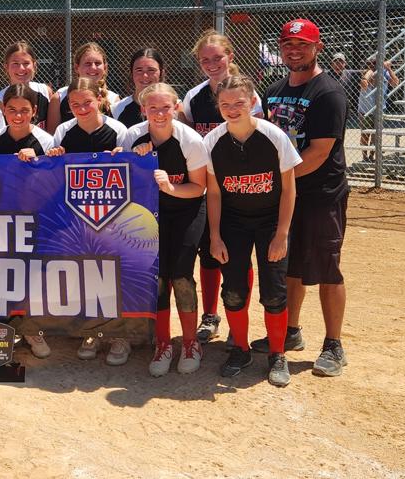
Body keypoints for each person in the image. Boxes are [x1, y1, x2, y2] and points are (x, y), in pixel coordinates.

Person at [260, 19, 351, 377]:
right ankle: (290, 331)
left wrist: (277, 179)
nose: (294, 51)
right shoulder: (273, 90)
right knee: (289, 266)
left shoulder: (328, 92)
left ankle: (334, 344)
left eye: (302, 44)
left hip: (320, 195)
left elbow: (319, 152)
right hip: (286, 195)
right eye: (288, 44)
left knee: (328, 269)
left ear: (318, 47)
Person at [204, 74, 301, 387]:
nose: (232, 109)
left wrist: (282, 233)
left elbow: (289, 190)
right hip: (233, 222)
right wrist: (215, 236)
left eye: (239, 103)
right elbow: (214, 193)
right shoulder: (212, 142)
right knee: (233, 290)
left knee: (274, 292)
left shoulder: (274, 136)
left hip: (270, 221)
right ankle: (241, 350)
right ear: (218, 106)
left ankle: (277, 354)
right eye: (225, 104)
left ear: (253, 102)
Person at [179, 29, 263, 344]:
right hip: (207, 188)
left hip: (239, 188)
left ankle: (237, 321)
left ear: (230, 56)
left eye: (217, 58)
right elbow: (188, 143)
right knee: (210, 254)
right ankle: (210, 316)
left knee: (239, 258)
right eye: (205, 60)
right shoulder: (194, 97)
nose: (212, 64)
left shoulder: (248, 94)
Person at [121, 83, 208, 376]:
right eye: (153, 108)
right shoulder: (133, 136)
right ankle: (162, 343)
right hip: (151, 213)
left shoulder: (190, 140)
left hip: (186, 209)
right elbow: (123, 179)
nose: (159, 114)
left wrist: (170, 187)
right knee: (157, 278)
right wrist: (136, 160)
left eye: (166, 107)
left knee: (181, 276)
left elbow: (198, 187)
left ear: (177, 107)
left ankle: (191, 343)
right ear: (143, 109)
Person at [0, 83, 56, 359]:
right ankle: (1, 332)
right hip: (1, 219)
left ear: (35, 111)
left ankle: (32, 330)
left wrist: (38, 161)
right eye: (12, 109)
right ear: (3, 110)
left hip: (35, 218)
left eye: (24, 110)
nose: (18, 116)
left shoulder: (45, 140)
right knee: (1, 276)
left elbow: (54, 182)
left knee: (32, 278)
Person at [47, 77, 130, 365]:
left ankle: (120, 334)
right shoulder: (63, 131)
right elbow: (53, 175)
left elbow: (132, 170)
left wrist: (121, 157)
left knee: (115, 272)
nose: (82, 108)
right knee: (86, 272)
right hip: (77, 213)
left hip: (113, 213)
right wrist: (55, 157)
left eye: (87, 102)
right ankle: (92, 331)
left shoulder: (118, 130)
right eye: (75, 104)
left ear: (100, 100)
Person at [0, 41, 60, 132]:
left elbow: (53, 132)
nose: (21, 68)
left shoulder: (45, 91)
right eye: (15, 63)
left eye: (26, 63)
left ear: (34, 65)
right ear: (6, 67)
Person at [55, 42, 121, 122]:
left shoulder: (113, 99)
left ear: (105, 67)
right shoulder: (60, 96)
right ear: (76, 67)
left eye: (97, 63)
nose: (93, 68)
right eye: (87, 64)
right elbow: (52, 130)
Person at [358, 56, 399, 161]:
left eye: (376, 63)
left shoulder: (385, 73)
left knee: (376, 135)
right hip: (365, 109)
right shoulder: (368, 72)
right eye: (371, 63)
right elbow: (365, 81)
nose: (373, 66)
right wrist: (366, 78)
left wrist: (388, 68)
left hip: (379, 108)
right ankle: (364, 156)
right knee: (365, 134)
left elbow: (395, 83)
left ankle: (371, 155)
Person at [112, 48, 165, 127]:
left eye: (151, 70)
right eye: (139, 70)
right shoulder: (117, 109)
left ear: (161, 73)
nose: (145, 75)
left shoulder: (174, 107)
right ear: (131, 73)